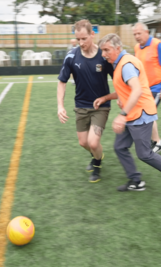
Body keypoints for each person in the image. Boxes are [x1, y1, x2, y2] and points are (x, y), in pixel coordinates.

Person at [93, 33, 161, 192]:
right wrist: (105, 98)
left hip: (140, 114)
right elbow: (124, 90)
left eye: (106, 50)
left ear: (118, 48)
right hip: (131, 114)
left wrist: (122, 115)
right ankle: (136, 181)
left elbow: (137, 90)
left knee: (144, 154)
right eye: (102, 50)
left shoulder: (126, 64)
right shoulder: (119, 63)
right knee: (120, 146)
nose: (103, 54)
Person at [56, 19, 114, 183]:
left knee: (93, 143)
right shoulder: (71, 57)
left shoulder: (103, 56)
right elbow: (62, 82)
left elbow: (117, 79)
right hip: (81, 106)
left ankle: (97, 164)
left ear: (92, 34)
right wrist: (60, 105)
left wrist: (121, 98)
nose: (81, 43)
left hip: (101, 107)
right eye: (78, 39)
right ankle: (97, 156)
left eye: (84, 39)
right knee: (83, 142)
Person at [132, 22, 161, 153]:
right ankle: (152, 140)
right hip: (144, 88)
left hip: (157, 87)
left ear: (147, 32)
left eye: (139, 33)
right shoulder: (137, 48)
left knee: (147, 113)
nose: (137, 36)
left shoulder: (157, 44)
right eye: (134, 34)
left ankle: (157, 142)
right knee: (144, 113)